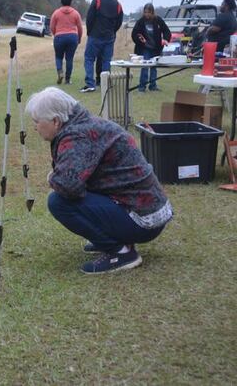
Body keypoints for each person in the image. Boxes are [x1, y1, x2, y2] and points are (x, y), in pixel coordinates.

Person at [25, 87, 172, 274]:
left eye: (37, 122)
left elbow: (67, 186)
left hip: (143, 221)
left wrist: (52, 178)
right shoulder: (86, 125)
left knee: (58, 202)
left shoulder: (77, 136)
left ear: (55, 121)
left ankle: (121, 253)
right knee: (74, 194)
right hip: (148, 209)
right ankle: (116, 238)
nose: (34, 127)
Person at [81, 0, 123, 93]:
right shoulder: (118, 5)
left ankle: (90, 84)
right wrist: (112, 32)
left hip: (95, 35)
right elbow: (119, 22)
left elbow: (90, 18)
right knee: (106, 61)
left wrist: (90, 32)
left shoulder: (97, 0)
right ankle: (106, 84)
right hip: (109, 37)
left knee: (89, 59)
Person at [131, 3, 171, 92]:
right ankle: (142, 87)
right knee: (144, 67)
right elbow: (134, 34)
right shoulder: (140, 22)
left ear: (152, 12)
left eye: (149, 12)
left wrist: (165, 39)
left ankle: (153, 86)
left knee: (154, 67)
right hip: (145, 48)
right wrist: (140, 39)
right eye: (145, 12)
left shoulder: (158, 20)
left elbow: (166, 31)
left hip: (156, 48)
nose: (147, 14)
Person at [50, 0, 83, 85]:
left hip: (59, 37)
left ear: (61, 1)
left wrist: (56, 34)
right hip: (72, 37)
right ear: (71, 1)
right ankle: (67, 79)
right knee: (69, 59)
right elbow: (80, 28)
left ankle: (60, 72)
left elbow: (52, 26)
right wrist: (79, 38)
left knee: (58, 57)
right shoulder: (75, 13)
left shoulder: (56, 13)